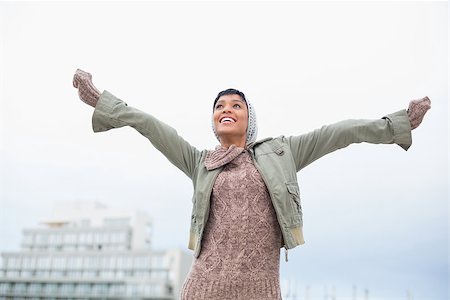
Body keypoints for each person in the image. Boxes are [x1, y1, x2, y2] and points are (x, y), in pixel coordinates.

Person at [73, 68, 431, 300]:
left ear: (249, 118)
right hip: (202, 290)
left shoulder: (282, 153)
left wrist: (398, 125)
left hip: (260, 291)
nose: (226, 109)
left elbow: (340, 132)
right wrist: (103, 100)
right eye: (219, 107)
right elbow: (149, 124)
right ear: (214, 121)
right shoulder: (199, 162)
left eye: (236, 105)